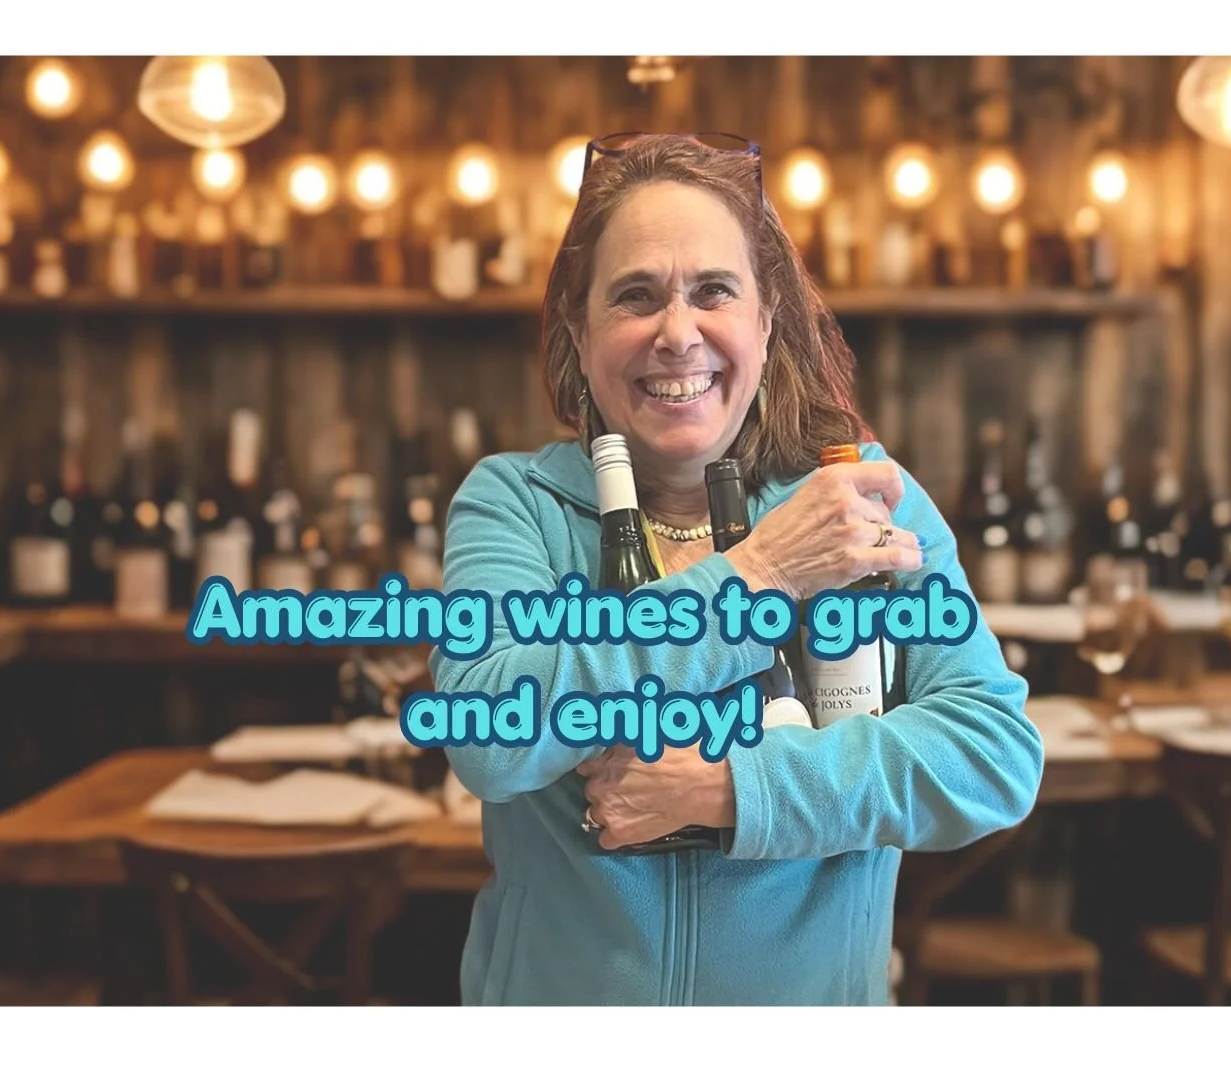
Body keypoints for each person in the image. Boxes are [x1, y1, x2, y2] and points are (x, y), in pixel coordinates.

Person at [430, 133, 1042, 1005]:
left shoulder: (857, 497)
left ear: (763, 320)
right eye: (635, 296)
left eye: (713, 291)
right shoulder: (513, 505)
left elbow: (993, 757)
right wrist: (759, 576)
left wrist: (731, 789)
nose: (677, 334)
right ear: (582, 329)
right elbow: (488, 731)